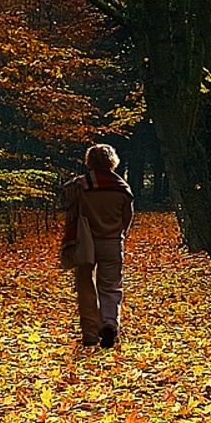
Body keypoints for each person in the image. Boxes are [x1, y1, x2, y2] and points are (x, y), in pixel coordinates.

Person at [60, 143, 134, 348]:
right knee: (110, 287)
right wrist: (120, 234)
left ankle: (90, 333)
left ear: (89, 162)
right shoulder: (122, 189)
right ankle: (109, 323)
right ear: (113, 162)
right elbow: (127, 217)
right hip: (111, 242)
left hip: (84, 242)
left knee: (85, 287)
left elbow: (66, 200)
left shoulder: (81, 186)